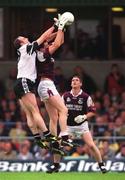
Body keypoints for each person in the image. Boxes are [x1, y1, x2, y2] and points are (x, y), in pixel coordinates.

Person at [13, 20, 64, 155]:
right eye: (22, 38)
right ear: (21, 43)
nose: (25, 37)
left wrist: (60, 29)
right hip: (24, 81)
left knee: (30, 113)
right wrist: (56, 26)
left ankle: (37, 137)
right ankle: (49, 136)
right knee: (35, 111)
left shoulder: (28, 50)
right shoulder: (25, 48)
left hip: (20, 83)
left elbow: (46, 39)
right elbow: (43, 37)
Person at [47, 75, 108, 173]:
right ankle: (56, 165)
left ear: (80, 84)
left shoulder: (85, 97)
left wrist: (84, 117)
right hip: (68, 127)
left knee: (91, 145)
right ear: (71, 83)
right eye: (72, 80)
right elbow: (60, 109)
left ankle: (101, 165)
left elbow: (93, 111)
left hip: (82, 126)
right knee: (57, 144)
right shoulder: (65, 96)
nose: (74, 81)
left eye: (76, 80)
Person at [36, 15, 75, 151]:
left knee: (54, 118)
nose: (48, 41)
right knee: (64, 109)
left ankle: (54, 143)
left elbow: (59, 40)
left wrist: (61, 27)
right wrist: (60, 26)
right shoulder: (42, 54)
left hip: (44, 86)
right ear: (43, 45)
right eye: (46, 42)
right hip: (46, 85)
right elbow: (57, 43)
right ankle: (65, 137)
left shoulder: (42, 50)